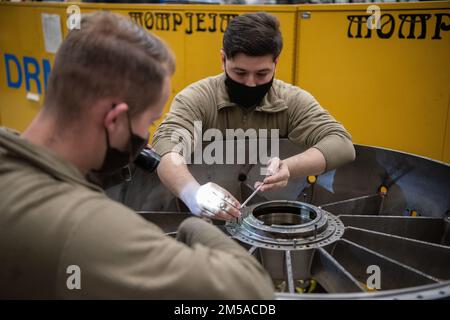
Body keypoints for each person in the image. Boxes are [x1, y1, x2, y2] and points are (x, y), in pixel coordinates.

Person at [0, 12, 274, 299]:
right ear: (115, 119)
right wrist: (193, 225)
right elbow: (251, 293)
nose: (148, 136)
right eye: (150, 121)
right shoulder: (87, 228)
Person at [153, 12, 355, 221]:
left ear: (276, 63)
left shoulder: (291, 101)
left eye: (261, 74)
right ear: (223, 59)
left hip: (272, 219)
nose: (250, 83)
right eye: (240, 73)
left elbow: (341, 143)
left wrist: (289, 167)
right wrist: (192, 193)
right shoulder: (198, 98)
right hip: (203, 220)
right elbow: (167, 146)